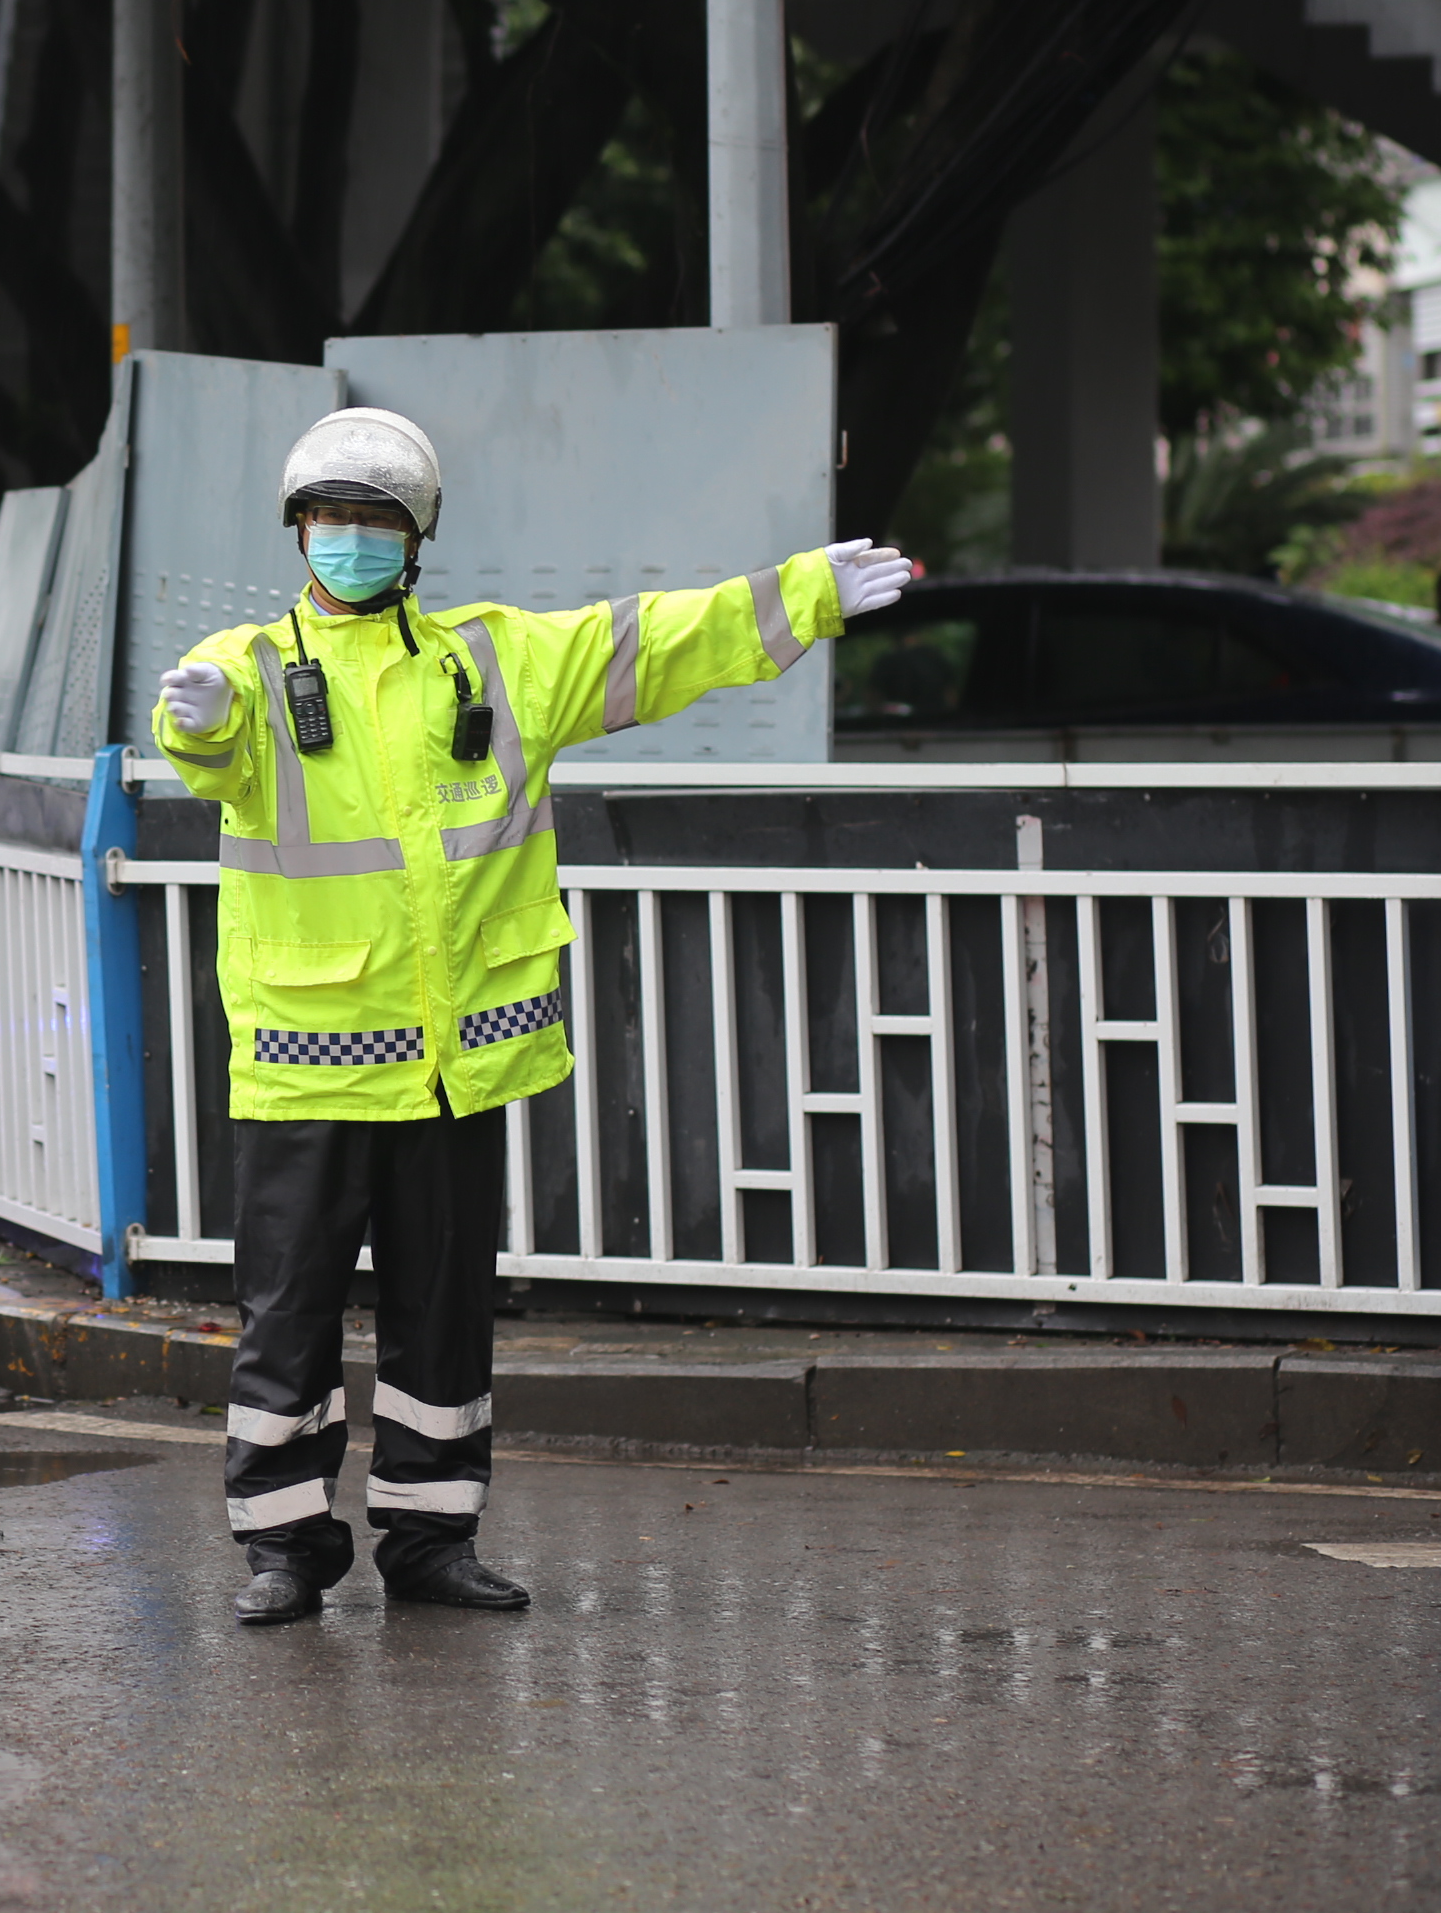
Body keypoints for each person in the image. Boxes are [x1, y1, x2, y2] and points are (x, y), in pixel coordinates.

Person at [152, 409, 912, 1625]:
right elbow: (210, 744)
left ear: (418, 539)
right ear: (297, 529)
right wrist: (191, 723)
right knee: (287, 1316)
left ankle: (431, 1537)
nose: (349, 540)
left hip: (456, 1069)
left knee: (443, 1315)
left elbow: (663, 640)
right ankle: (284, 1547)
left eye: (375, 521)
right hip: (308, 1069)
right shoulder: (243, 667)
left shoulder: (497, 662)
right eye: (330, 518)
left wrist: (807, 591)